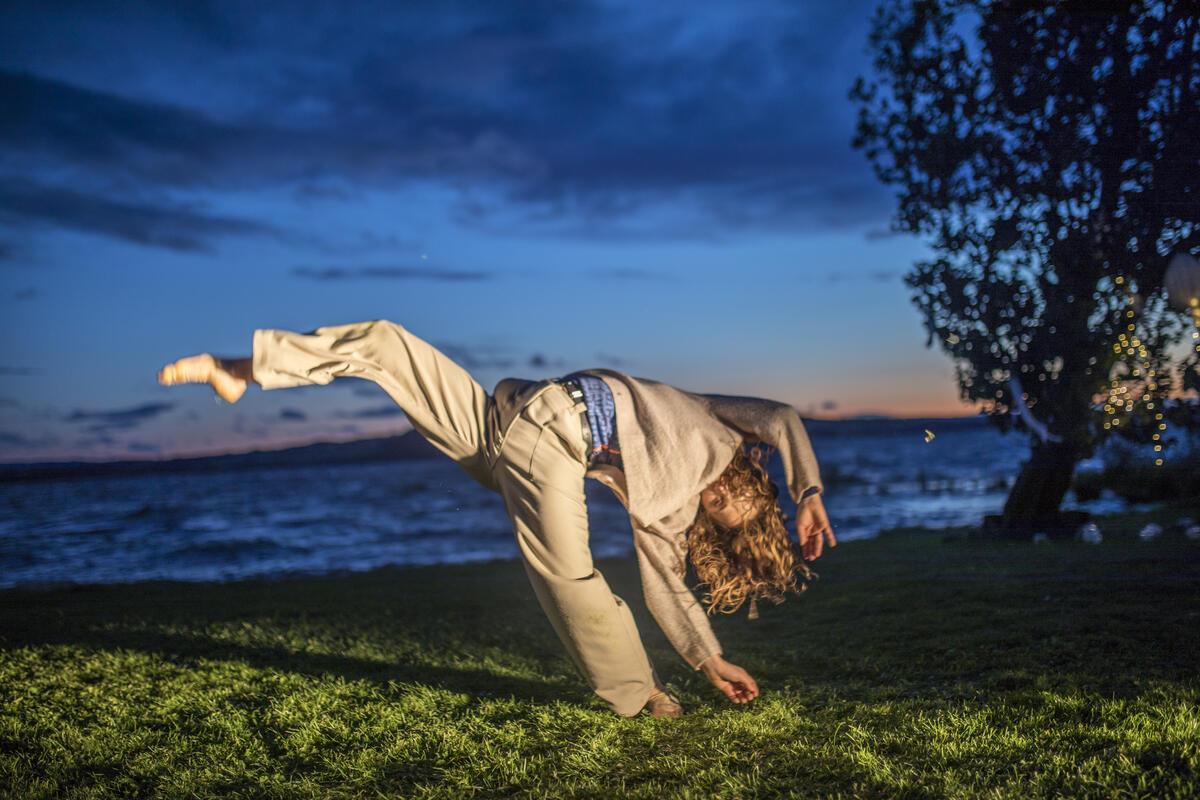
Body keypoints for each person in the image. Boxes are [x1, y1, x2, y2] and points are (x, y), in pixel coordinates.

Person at [158, 319, 835, 718]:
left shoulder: (669, 511)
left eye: (728, 518)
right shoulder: (721, 425)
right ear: (757, 481)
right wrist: (808, 492)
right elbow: (781, 417)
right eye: (744, 500)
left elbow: (668, 591)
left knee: (572, 579)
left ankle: (641, 694)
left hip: (555, 449)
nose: (726, 502)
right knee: (387, 342)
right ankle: (240, 368)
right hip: (508, 423)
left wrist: (710, 659)